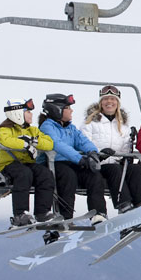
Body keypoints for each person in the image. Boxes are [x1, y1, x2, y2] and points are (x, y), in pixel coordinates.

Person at [38, 93, 108, 224]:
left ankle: (98, 213)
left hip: (70, 162)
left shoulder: (70, 128)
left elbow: (82, 141)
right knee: (68, 176)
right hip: (53, 163)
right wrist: (80, 159)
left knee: (94, 175)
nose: (71, 110)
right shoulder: (47, 127)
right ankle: (65, 215)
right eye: (68, 107)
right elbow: (58, 144)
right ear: (57, 109)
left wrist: (92, 153)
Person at [82, 85, 141, 213]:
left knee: (134, 169)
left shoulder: (123, 126)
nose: (109, 102)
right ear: (101, 103)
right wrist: (100, 153)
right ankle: (124, 205)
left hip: (116, 164)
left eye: (113, 99)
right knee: (114, 169)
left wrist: (126, 157)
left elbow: (125, 150)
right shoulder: (90, 123)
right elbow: (83, 142)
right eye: (106, 99)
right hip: (98, 165)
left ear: (117, 103)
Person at [0, 98, 57, 227]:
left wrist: (34, 142)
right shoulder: (5, 129)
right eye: (27, 111)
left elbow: (49, 143)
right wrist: (24, 143)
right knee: (24, 174)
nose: (31, 114)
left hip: (26, 164)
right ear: (17, 113)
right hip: (8, 165)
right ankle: (20, 214)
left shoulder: (32, 130)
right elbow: (6, 141)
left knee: (44, 174)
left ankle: (42, 212)